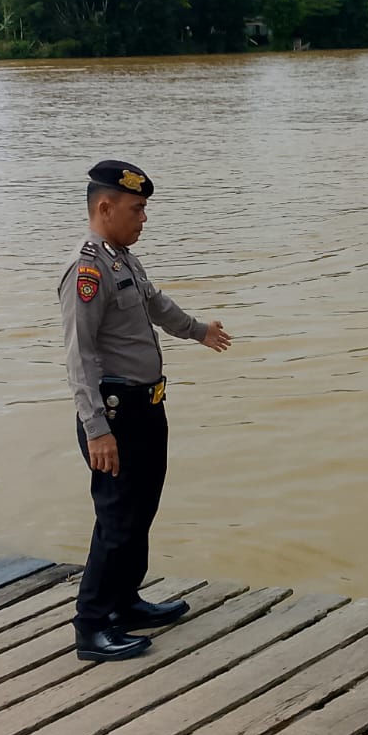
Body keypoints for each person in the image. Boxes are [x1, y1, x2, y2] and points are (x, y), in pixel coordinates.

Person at [59, 160, 232, 661]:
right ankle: (92, 626)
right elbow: (80, 355)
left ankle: (124, 602)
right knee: (115, 519)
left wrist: (198, 330)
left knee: (140, 512)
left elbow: (155, 304)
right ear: (105, 207)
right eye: (137, 209)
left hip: (145, 409)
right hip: (112, 417)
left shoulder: (123, 258)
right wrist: (96, 429)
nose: (144, 219)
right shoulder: (87, 269)